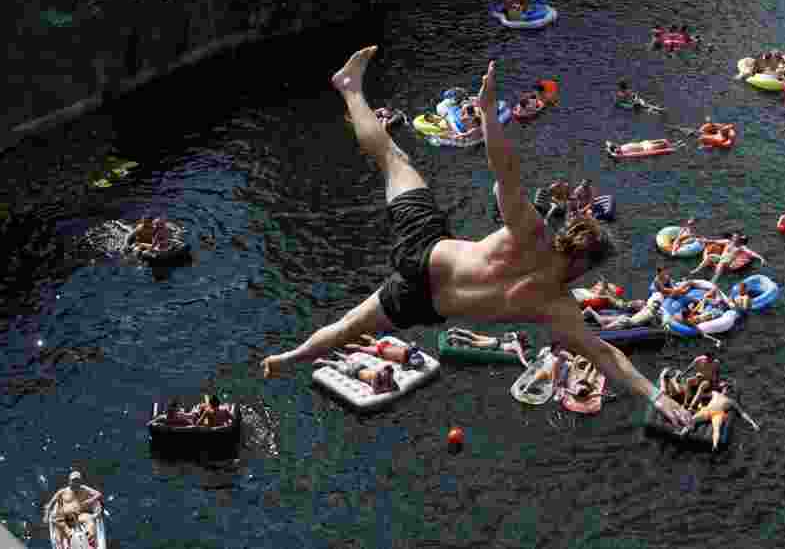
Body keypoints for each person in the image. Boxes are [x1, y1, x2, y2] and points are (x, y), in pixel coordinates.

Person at [261, 48, 688, 428]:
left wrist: (487, 115)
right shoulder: (556, 307)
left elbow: (505, 174)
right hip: (422, 300)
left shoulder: (532, 235)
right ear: (584, 264)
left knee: (393, 157)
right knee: (344, 329)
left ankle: (350, 87)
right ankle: (290, 359)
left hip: (425, 250)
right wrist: (656, 396)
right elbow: (605, 355)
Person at [679, 381, 760, 451]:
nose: (725, 389)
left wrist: (753, 423)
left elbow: (742, 413)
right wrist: (697, 399)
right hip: (707, 410)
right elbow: (702, 395)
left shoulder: (731, 401)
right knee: (692, 420)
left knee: (716, 429)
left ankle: (714, 446)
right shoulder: (715, 393)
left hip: (718, 414)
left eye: (727, 388)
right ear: (722, 388)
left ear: (729, 391)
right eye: (725, 387)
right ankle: (682, 433)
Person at [45, 472, 104, 549]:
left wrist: (90, 500)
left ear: (80, 481)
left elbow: (98, 494)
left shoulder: (84, 488)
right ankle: (67, 541)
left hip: (79, 515)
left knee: (90, 519)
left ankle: (90, 541)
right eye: (73, 481)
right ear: (69, 481)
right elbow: (50, 504)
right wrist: (46, 516)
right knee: (57, 522)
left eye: (77, 481)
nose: (75, 483)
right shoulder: (63, 492)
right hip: (65, 518)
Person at [313, 357, 399, 394]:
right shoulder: (377, 375)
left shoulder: (388, 377)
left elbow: (396, 387)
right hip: (354, 372)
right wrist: (387, 388)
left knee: (348, 360)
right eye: (385, 375)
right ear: (383, 371)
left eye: (388, 376)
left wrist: (390, 382)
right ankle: (322, 361)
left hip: (363, 367)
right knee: (338, 365)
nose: (386, 377)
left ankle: (337, 355)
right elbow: (376, 390)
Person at [584, 291, 664, 330]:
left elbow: (655, 324)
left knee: (603, 321)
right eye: (656, 303)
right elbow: (625, 305)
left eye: (658, 303)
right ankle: (590, 311)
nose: (656, 305)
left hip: (625, 319)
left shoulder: (650, 310)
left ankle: (590, 311)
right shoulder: (648, 309)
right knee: (604, 326)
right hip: (626, 321)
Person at [343, 334, 426, 368]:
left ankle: (359, 334)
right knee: (360, 348)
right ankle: (343, 345)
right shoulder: (404, 359)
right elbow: (404, 367)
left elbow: (411, 348)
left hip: (386, 345)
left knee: (372, 340)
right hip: (381, 350)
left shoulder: (404, 348)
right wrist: (411, 366)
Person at [444, 328, 529, 354]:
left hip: (495, 339)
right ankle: (454, 336)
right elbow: (520, 354)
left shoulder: (513, 336)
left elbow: (506, 335)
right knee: (473, 343)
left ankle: (456, 330)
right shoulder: (516, 344)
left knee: (474, 336)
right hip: (495, 343)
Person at [605, 139, 670, 156]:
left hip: (642, 145)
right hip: (644, 147)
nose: (616, 145)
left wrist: (609, 149)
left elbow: (608, 143)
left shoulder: (622, 148)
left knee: (657, 144)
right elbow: (615, 152)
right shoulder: (622, 150)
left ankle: (665, 143)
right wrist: (610, 150)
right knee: (658, 145)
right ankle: (665, 144)